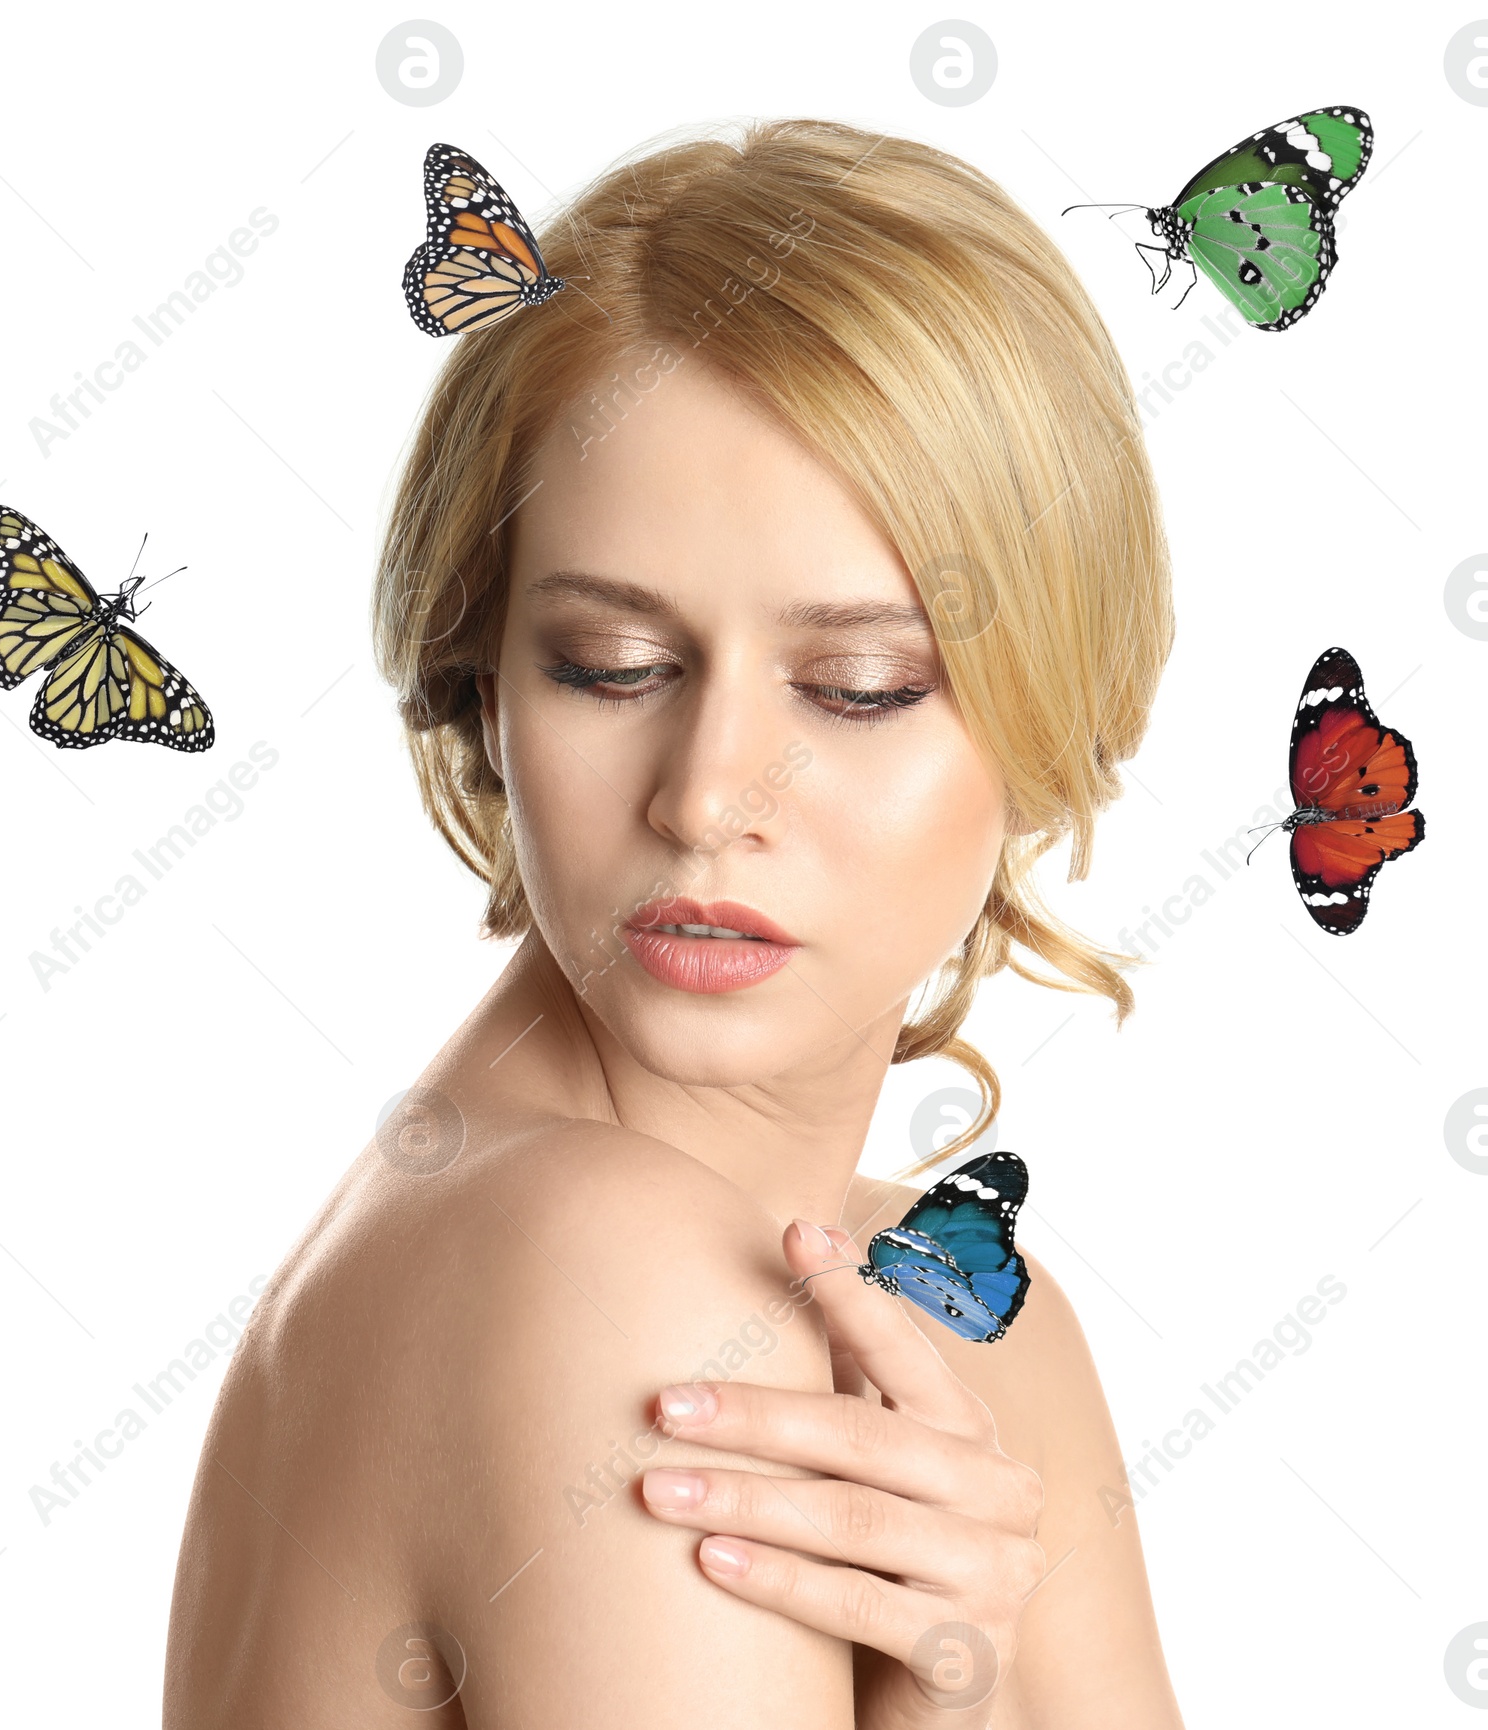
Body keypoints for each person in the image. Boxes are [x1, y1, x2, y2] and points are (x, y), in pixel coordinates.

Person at [163, 118, 1183, 1728]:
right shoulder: (607, 1278)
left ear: (1059, 709)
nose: (709, 796)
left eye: (859, 687)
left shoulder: (966, 1324)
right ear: (481, 686)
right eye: (611, 666)